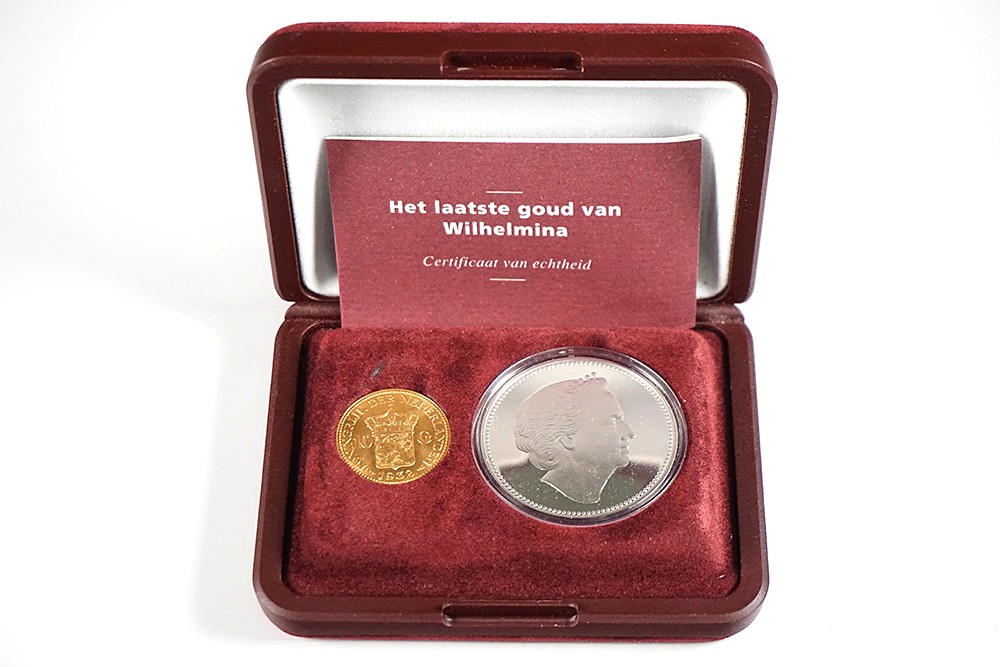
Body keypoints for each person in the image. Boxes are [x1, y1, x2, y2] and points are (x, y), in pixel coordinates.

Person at [505, 374, 647, 505]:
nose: (630, 433)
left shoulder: (629, 489)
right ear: (567, 437)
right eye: (612, 422)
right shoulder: (533, 495)